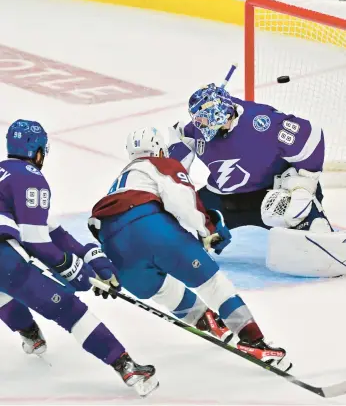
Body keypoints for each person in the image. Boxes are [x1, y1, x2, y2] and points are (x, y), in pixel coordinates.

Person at [88, 127, 292, 372]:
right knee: (212, 283)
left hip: (114, 248)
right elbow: (182, 199)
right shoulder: (162, 163)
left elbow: (95, 225)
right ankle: (254, 340)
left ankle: (203, 319)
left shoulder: (118, 183)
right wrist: (208, 231)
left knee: (161, 289)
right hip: (151, 229)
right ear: (159, 148)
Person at [0, 119, 158, 397]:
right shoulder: (29, 177)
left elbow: (53, 232)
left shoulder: (5, 176)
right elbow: (37, 241)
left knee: (4, 292)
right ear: (37, 151)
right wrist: (74, 271)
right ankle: (126, 366)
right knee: (69, 308)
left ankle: (31, 336)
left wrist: (92, 258)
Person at [167, 83, 345, 277]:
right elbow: (177, 161)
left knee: (312, 227)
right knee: (179, 221)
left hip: (271, 195)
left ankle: (314, 222)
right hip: (225, 199)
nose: (198, 123)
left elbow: (311, 137)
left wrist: (303, 186)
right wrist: (175, 154)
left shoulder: (262, 123)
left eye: (202, 118)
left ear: (218, 112)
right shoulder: (197, 130)